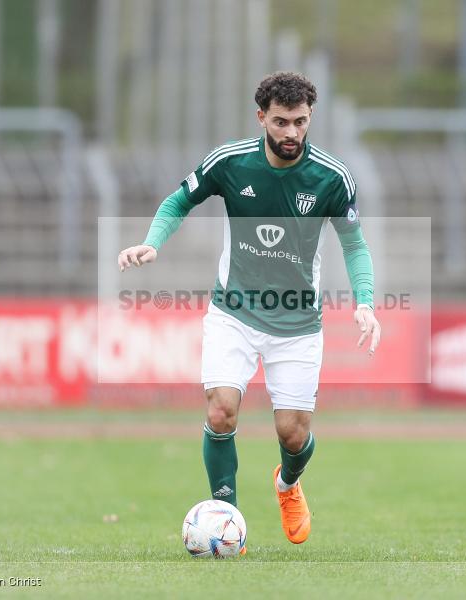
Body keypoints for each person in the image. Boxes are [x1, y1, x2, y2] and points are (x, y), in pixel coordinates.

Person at [118, 71, 380, 547]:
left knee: (294, 436)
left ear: (310, 117)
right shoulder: (230, 162)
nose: (291, 133)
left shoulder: (332, 177)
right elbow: (180, 201)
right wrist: (153, 242)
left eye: (300, 122)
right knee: (221, 412)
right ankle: (226, 516)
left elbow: (355, 246)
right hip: (233, 313)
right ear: (262, 117)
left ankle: (287, 484)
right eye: (281, 121)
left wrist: (365, 303)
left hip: (298, 323)